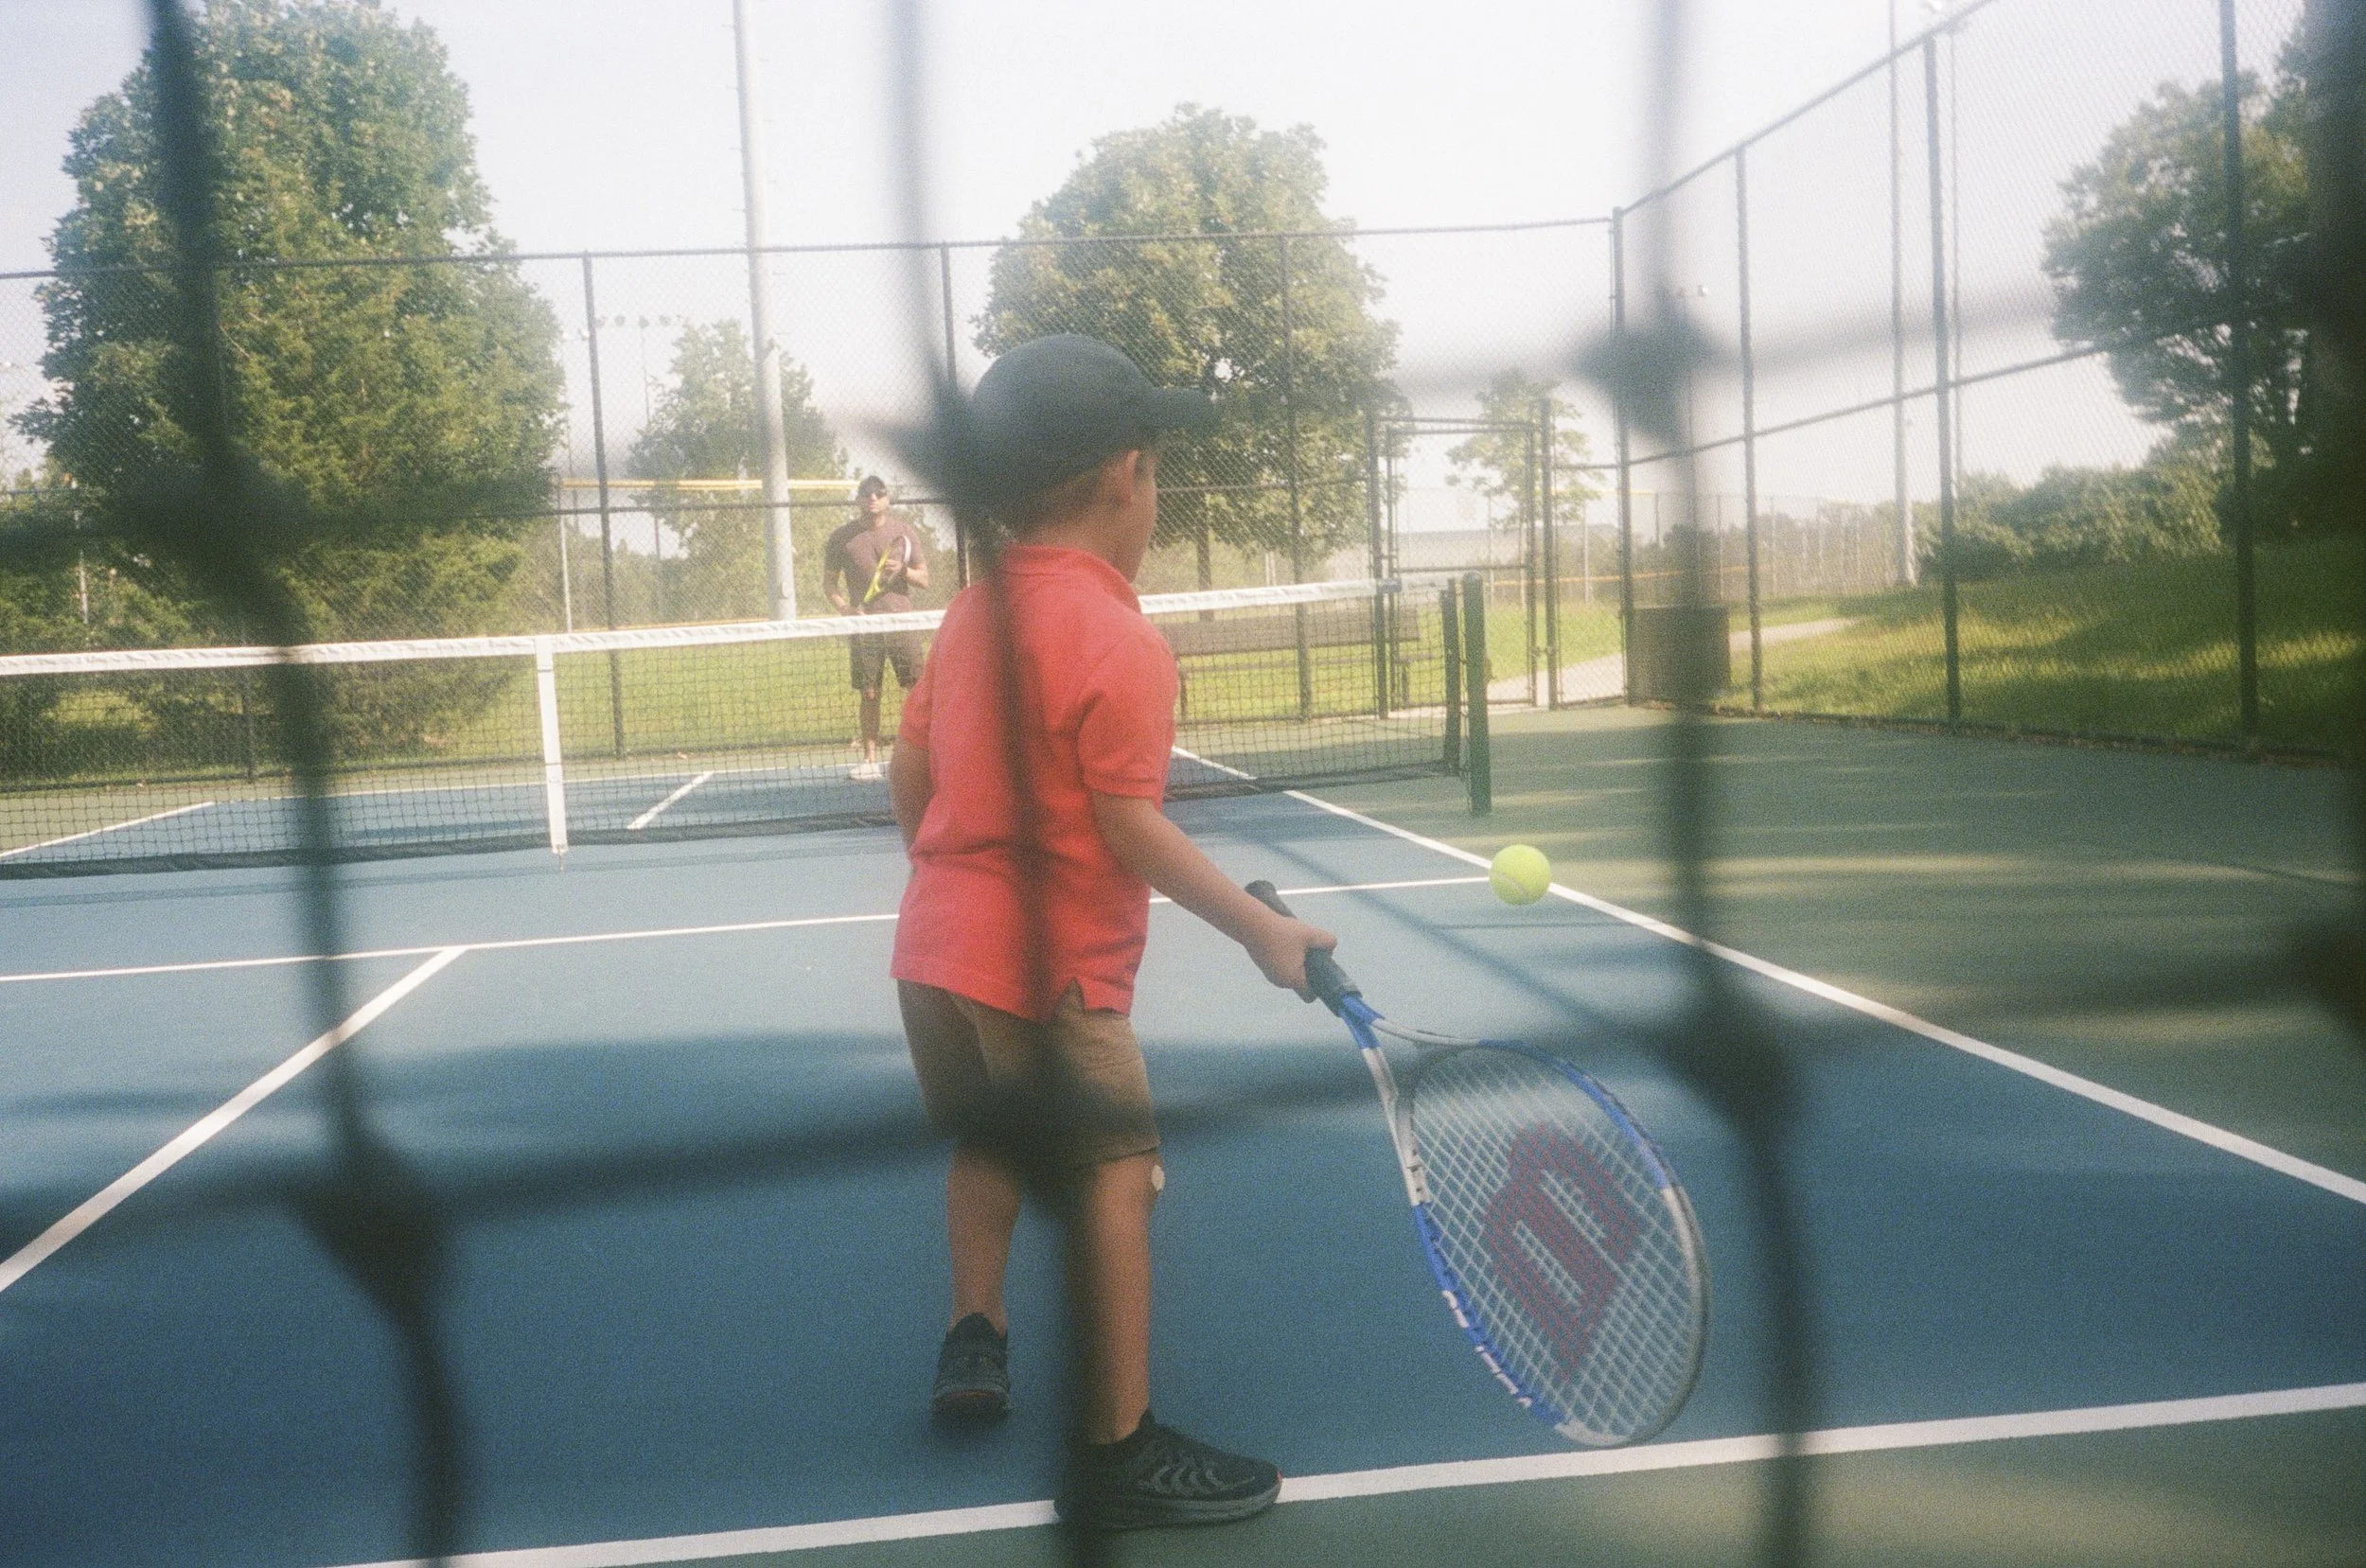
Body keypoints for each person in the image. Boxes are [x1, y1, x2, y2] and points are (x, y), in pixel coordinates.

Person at [887, 334, 1335, 1530]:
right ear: (1127, 475)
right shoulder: (1121, 639)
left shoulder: (970, 612)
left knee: (989, 1139)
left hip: (932, 950)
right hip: (1047, 971)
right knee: (1116, 1174)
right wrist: (1261, 930)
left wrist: (949, 880)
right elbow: (1126, 824)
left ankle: (974, 1332)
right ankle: (1115, 1446)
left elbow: (909, 770)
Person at [823, 475, 930, 782]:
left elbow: (924, 579)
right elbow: (829, 584)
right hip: (865, 627)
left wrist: (904, 571)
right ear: (858, 499)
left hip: (902, 623)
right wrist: (846, 609)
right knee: (869, 693)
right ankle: (870, 760)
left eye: (878, 493)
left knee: (917, 691)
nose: (872, 498)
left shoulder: (904, 532)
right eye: (866, 493)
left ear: (887, 499)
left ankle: (924, 756)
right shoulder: (841, 537)